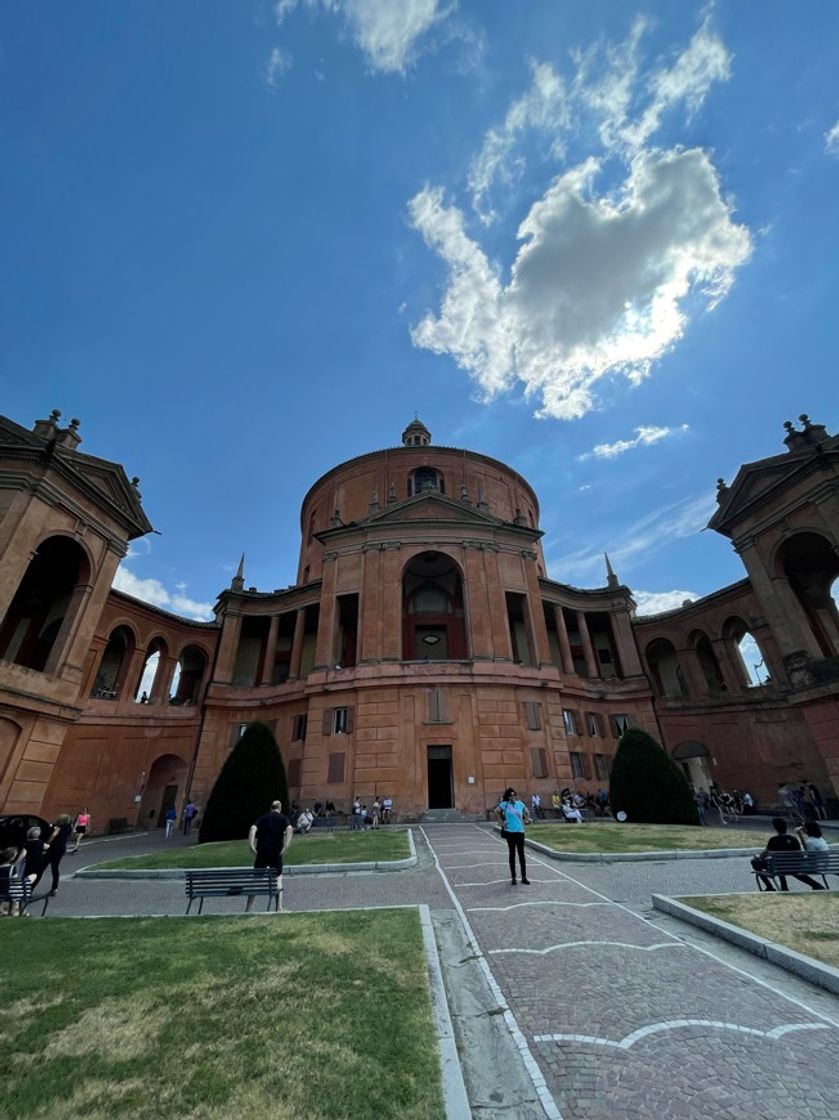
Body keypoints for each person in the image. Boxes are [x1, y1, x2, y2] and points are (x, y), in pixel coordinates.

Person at [751, 818, 825, 891]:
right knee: (782, 864)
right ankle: (815, 885)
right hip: (793, 867)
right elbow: (799, 855)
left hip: (778, 866)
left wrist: (757, 857)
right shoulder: (794, 839)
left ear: (775, 828)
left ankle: (770, 887)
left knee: (755, 861)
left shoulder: (773, 840)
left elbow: (763, 855)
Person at [246, 800, 293, 912]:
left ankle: (248, 908)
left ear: (270, 808)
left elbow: (253, 828)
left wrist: (251, 845)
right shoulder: (283, 818)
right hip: (276, 852)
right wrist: (286, 846)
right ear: (279, 808)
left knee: (256, 881)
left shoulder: (263, 818)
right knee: (278, 879)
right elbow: (289, 829)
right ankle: (278, 907)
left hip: (262, 852)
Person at [496, 787, 530, 885]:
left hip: (520, 831)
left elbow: (527, 812)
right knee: (512, 854)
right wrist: (501, 823)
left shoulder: (520, 804)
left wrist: (526, 819)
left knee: (521, 855)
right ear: (508, 797)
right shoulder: (504, 804)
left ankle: (524, 877)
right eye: (511, 796)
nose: (513, 797)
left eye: (514, 795)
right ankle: (513, 877)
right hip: (510, 832)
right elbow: (496, 811)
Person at [34, 814, 73, 896]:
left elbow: (53, 835)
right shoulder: (69, 828)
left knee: (41, 868)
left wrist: (47, 842)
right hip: (61, 849)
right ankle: (54, 888)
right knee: (55, 868)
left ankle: (31, 887)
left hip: (53, 848)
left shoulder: (59, 827)